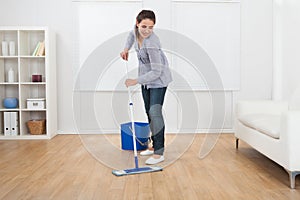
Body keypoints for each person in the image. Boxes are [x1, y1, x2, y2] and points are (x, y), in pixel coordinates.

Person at [120, 10, 172, 165]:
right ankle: (153, 145)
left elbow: (157, 71)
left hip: (159, 80)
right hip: (146, 80)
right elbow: (131, 35)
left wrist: (135, 80)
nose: (147, 30)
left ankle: (159, 152)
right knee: (148, 112)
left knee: (155, 113)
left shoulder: (152, 43)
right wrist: (125, 49)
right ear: (137, 23)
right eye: (144, 26)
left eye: (151, 27)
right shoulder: (136, 32)